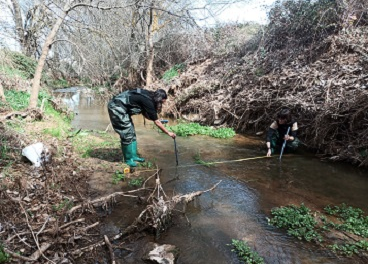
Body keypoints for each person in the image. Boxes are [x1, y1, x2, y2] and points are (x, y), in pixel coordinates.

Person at [108, 88, 176, 167]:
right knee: (127, 134)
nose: (162, 104)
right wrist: (168, 133)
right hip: (116, 107)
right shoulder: (148, 102)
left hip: (123, 108)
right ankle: (128, 159)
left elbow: (146, 115)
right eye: (162, 102)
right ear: (159, 100)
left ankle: (134, 156)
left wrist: (155, 119)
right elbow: (156, 122)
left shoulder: (150, 96)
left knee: (132, 133)